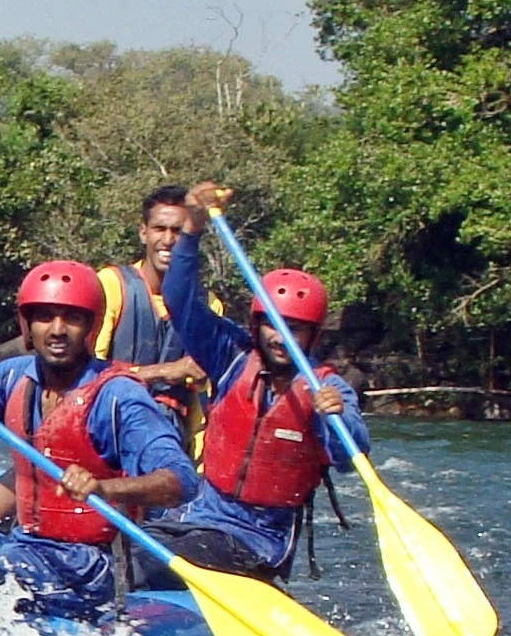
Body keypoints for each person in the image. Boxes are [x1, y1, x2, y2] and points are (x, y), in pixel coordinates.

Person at [149, 182, 367, 579]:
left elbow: (351, 457)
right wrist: (193, 228)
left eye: (295, 329)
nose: (281, 338)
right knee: (116, 541)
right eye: (273, 325)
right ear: (257, 324)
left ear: (313, 335)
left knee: (141, 559)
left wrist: (338, 419)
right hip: (200, 515)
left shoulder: (327, 389)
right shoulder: (229, 356)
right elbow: (178, 300)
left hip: (258, 542)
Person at [0, 260, 201, 616]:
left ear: (92, 327)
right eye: (45, 316)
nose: (57, 330)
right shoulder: (9, 378)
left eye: (72, 318)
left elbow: (181, 481)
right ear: (27, 325)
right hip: (24, 544)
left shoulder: (118, 396)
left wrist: (105, 489)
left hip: (83, 567)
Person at [97, 183, 209, 418]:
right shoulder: (111, 285)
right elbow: (88, 375)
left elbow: (201, 402)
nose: (168, 240)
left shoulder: (207, 306)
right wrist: (164, 371)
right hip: (114, 427)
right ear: (143, 232)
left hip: (170, 441)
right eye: (160, 228)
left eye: (178, 231)